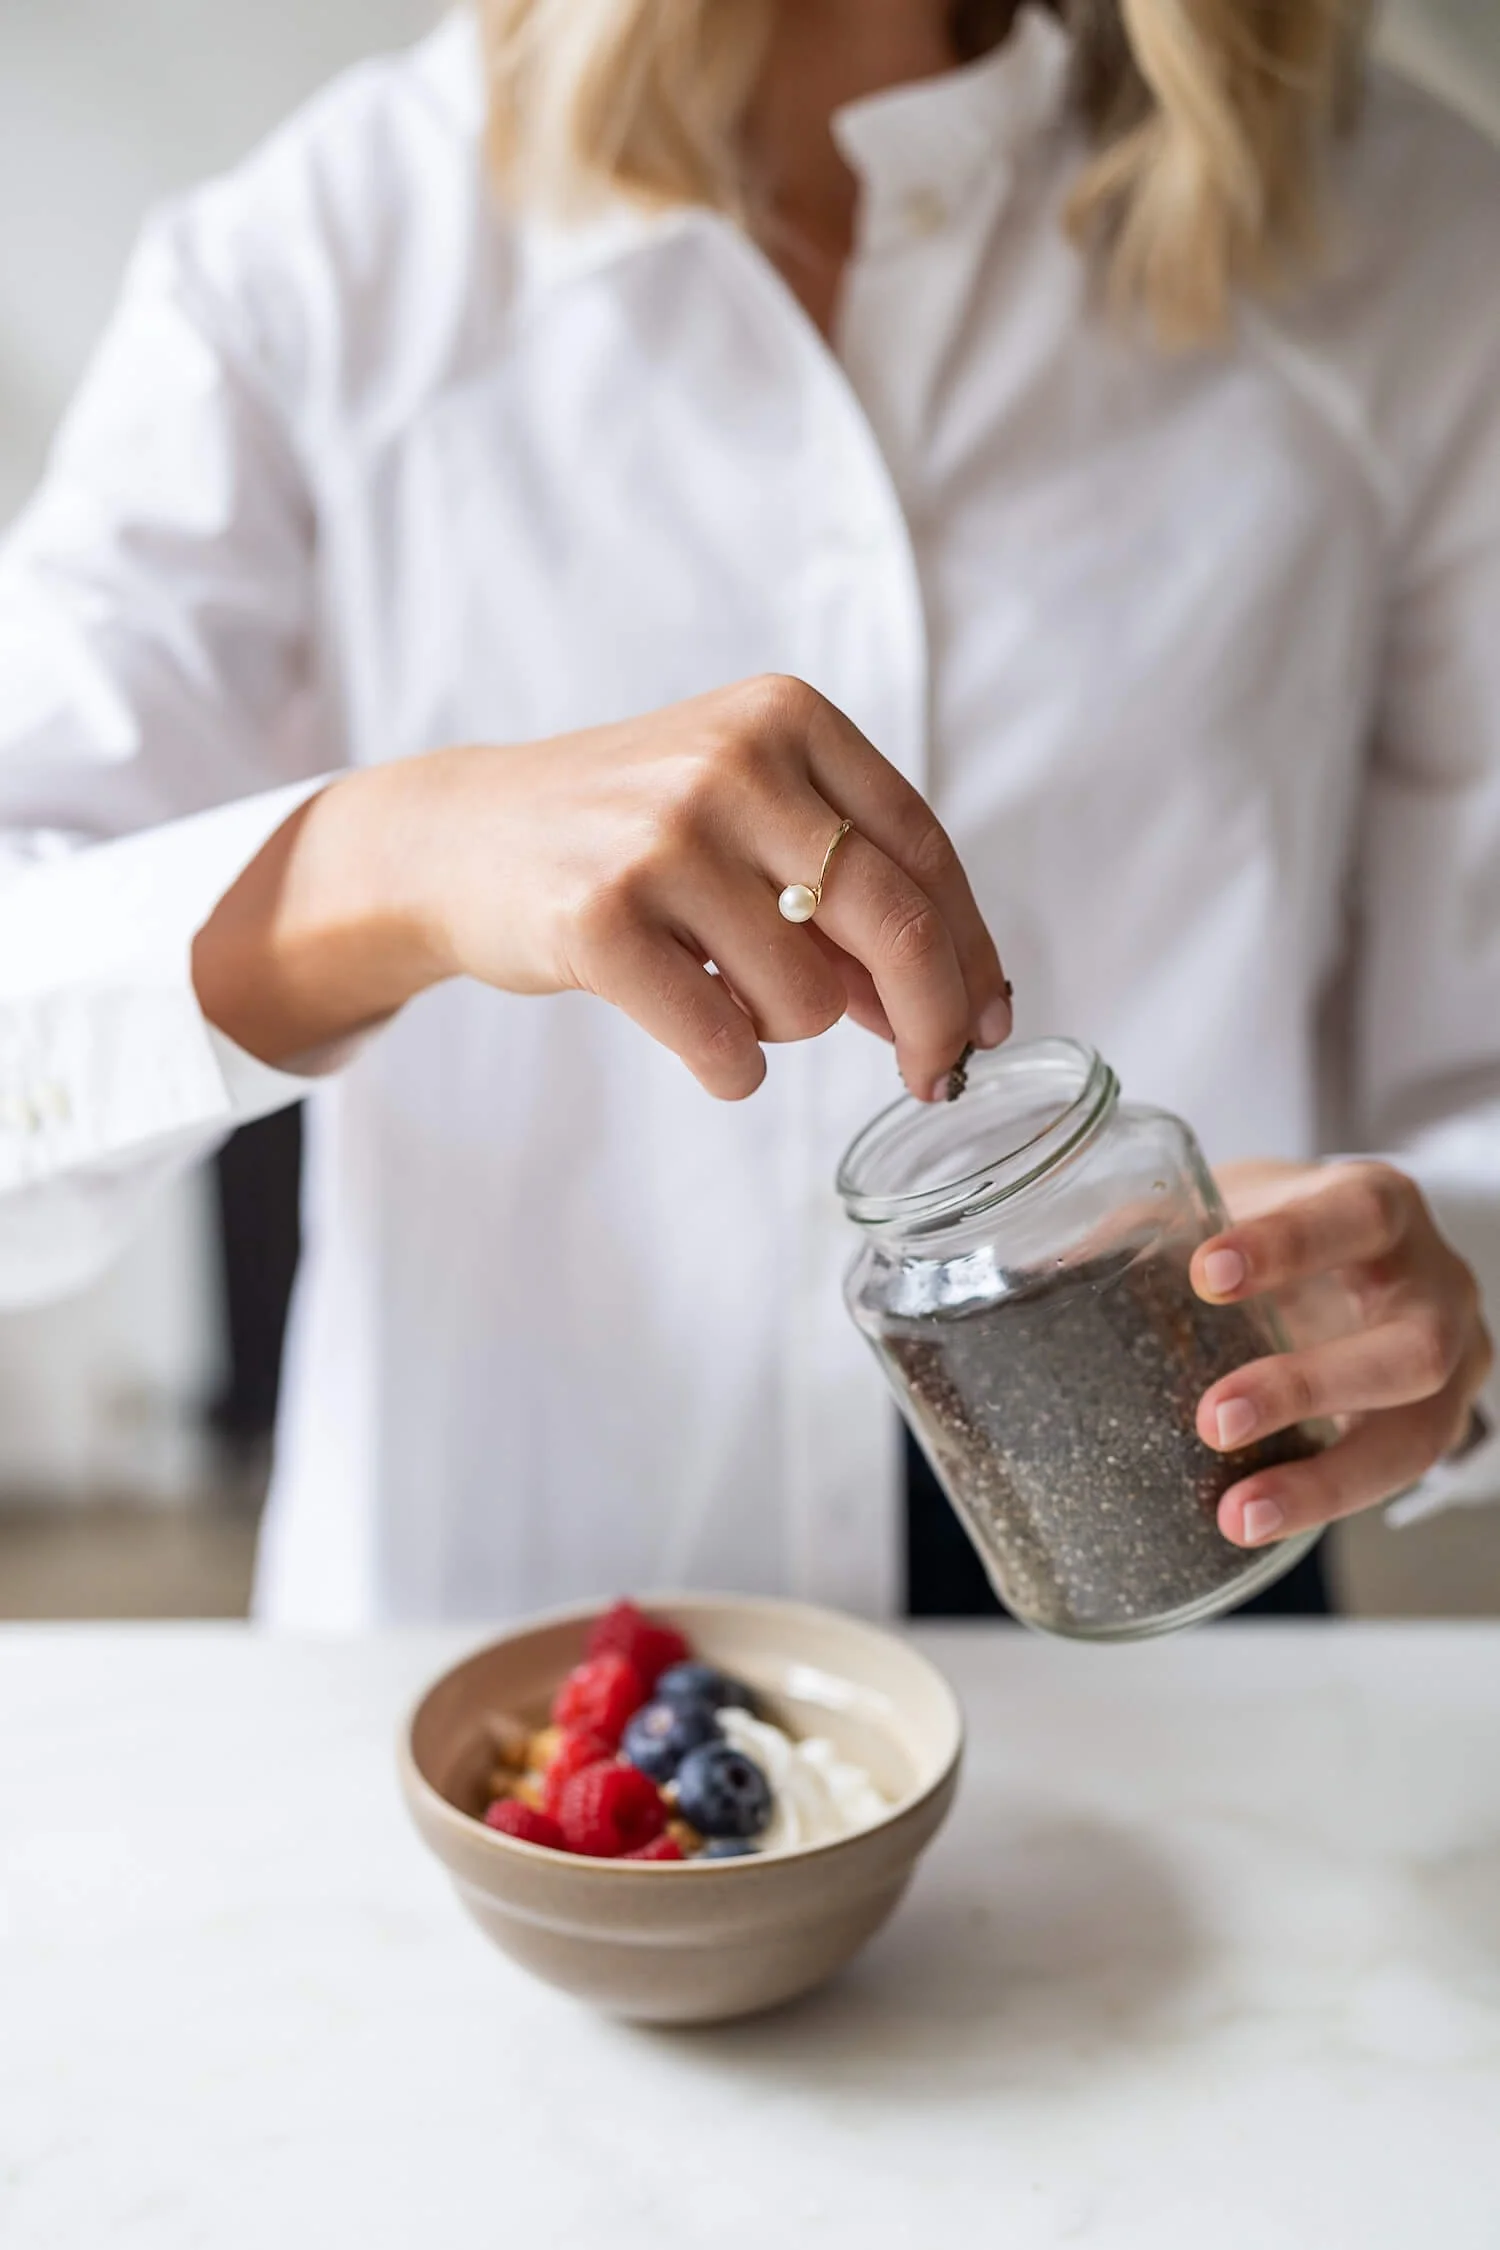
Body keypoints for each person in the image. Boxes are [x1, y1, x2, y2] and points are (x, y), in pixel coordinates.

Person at [0, 0, 1496, 1630]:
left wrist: (1443, 1285)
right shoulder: (327, 259)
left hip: (1200, 1618)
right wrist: (410, 853)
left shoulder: (1416, 251)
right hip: (533, 1701)